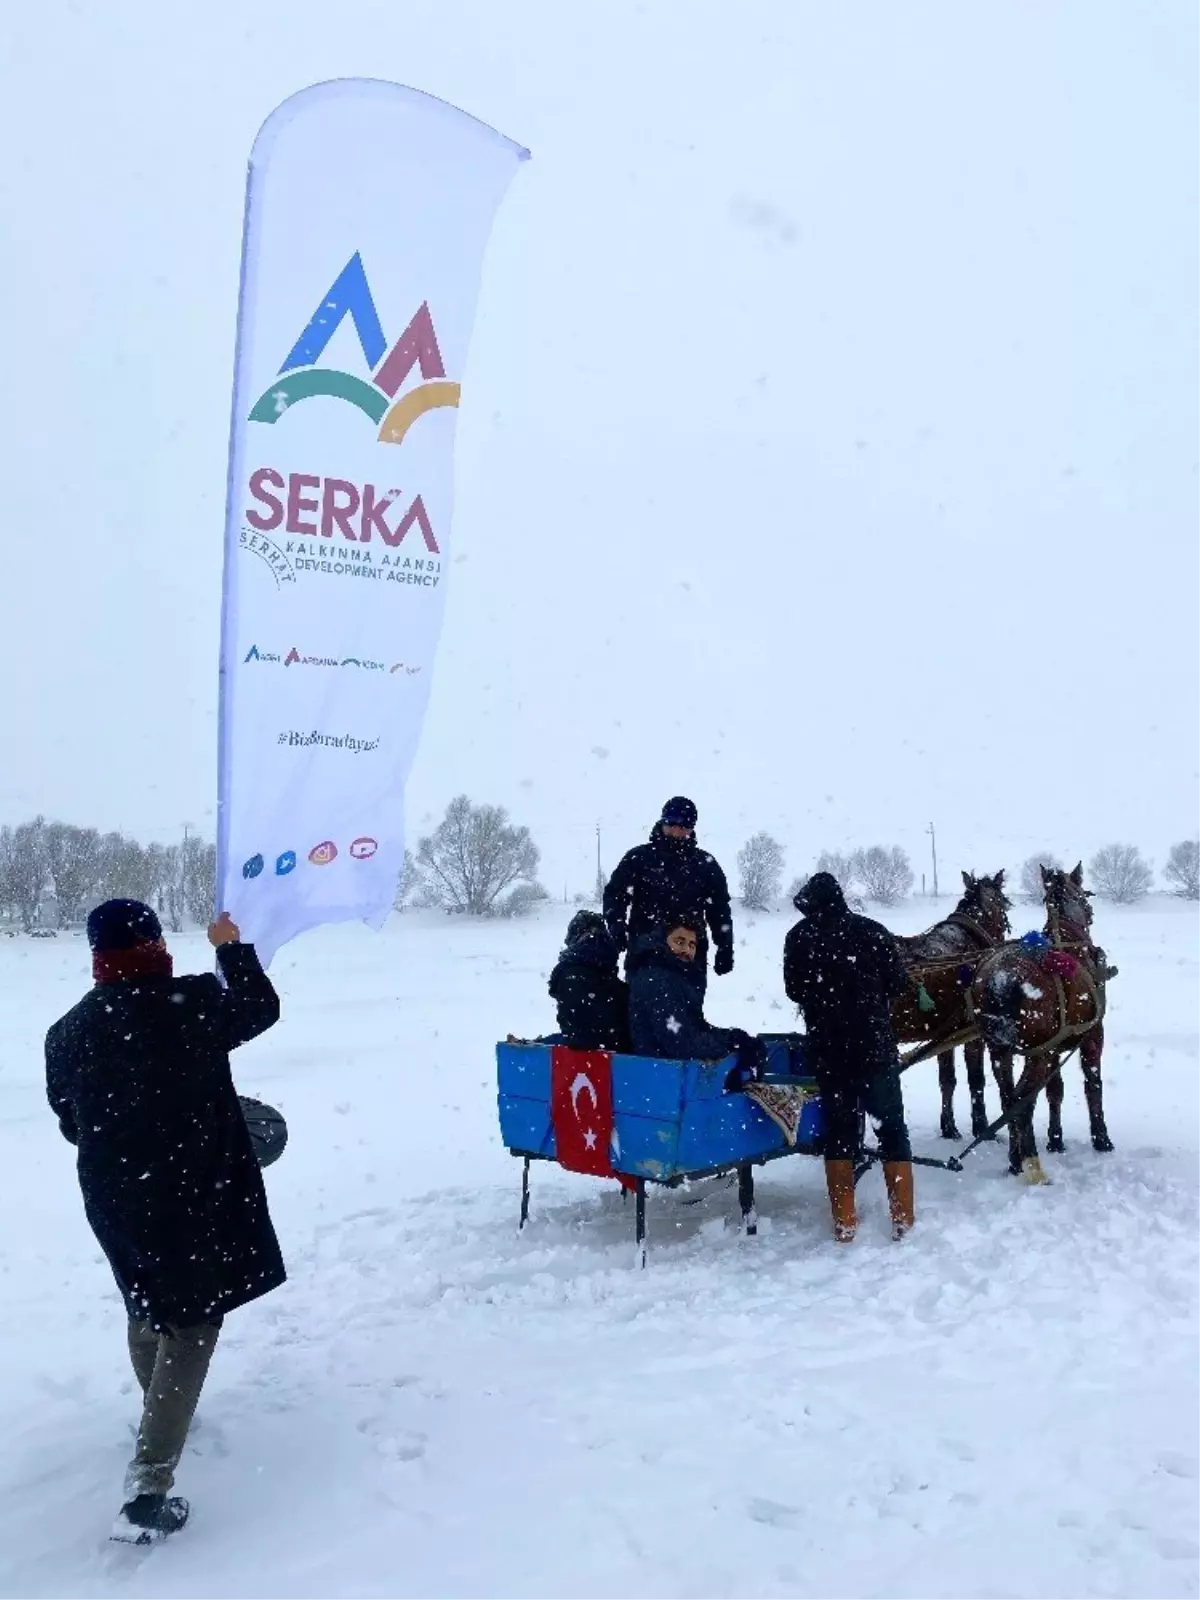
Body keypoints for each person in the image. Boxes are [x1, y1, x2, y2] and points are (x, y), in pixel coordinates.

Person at [45, 900, 286, 1544]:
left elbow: (71, 1122)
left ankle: (159, 1412)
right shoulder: (192, 1003)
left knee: (145, 1300)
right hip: (187, 1188)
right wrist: (232, 947)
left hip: (114, 1195)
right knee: (192, 1321)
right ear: (155, 944)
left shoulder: (68, 1030)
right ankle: (147, 1489)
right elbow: (261, 1008)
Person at [783, 872, 914, 1243]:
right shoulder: (872, 931)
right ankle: (902, 1217)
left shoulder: (798, 937)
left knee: (839, 1132)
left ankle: (845, 1221)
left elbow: (794, 990)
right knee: (891, 1128)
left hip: (828, 1050)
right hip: (874, 1047)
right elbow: (899, 984)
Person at [603, 797, 734, 990]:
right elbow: (615, 895)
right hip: (645, 955)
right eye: (672, 822)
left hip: (689, 958)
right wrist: (616, 926)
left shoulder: (705, 864)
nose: (677, 830)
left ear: (692, 828)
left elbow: (719, 908)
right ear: (663, 821)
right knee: (642, 1013)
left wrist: (725, 946)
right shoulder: (638, 858)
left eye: (685, 825)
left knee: (687, 1016)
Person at [627, 917, 757, 1068]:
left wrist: (732, 1039)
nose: (686, 950)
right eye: (679, 942)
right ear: (662, 940)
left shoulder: (675, 978)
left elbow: (695, 1028)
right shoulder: (657, 980)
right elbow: (680, 1041)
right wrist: (730, 1045)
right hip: (660, 1075)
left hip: (672, 1072)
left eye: (691, 945)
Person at [545, 910, 629, 1051]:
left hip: (594, 1064)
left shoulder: (573, 974)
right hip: (626, 1057)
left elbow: (580, 1039)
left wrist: (539, 1044)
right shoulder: (605, 970)